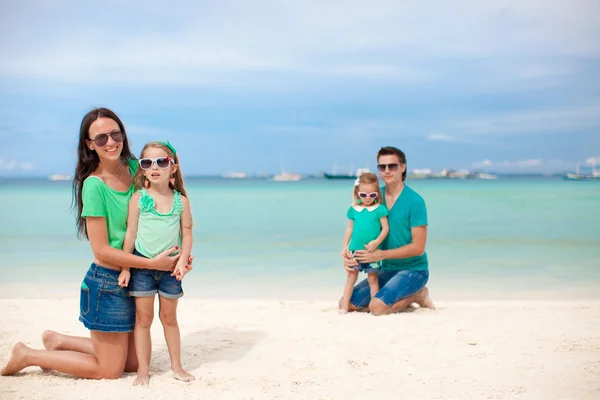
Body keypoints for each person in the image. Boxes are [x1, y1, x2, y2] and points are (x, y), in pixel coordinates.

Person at [1, 107, 192, 379]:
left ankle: (60, 341)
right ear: (90, 145)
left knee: (134, 362)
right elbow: (101, 249)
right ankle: (28, 355)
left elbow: (159, 216)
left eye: (115, 134)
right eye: (101, 138)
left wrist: (177, 259)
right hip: (108, 282)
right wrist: (152, 263)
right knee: (110, 369)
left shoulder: (137, 169)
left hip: (139, 276)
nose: (110, 142)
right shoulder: (94, 185)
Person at [119, 141, 195, 386]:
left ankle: (177, 366)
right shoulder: (138, 199)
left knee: (169, 318)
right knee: (143, 319)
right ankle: (143, 370)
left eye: (162, 162)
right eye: (147, 162)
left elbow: (187, 234)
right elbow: (130, 235)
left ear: (172, 168)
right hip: (141, 266)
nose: (155, 167)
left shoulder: (180, 201)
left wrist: (182, 261)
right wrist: (125, 268)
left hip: (171, 268)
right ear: (141, 169)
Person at [340, 146, 435, 315]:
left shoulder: (415, 201)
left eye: (392, 166)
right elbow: (361, 232)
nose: (387, 171)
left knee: (377, 308)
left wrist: (380, 255)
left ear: (403, 167)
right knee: (347, 303)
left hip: (413, 270)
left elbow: (418, 248)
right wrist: (351, 257)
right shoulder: (373, 197)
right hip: (383, 269)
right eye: (382, 167)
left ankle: (417, 295)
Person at [339, 172, 389, 313]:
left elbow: (385, 229)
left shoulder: (379, 209)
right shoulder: (353, 209)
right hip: (355, 251)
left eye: (372, 195)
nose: (368, 199)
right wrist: (345, 247)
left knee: (373, 280)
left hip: (372, 252)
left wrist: (376, 242)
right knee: (350, 278)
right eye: (363, 195)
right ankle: (345, 306)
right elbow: (349, 229)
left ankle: (374, 306)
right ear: (357, 192)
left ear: (377, 193)